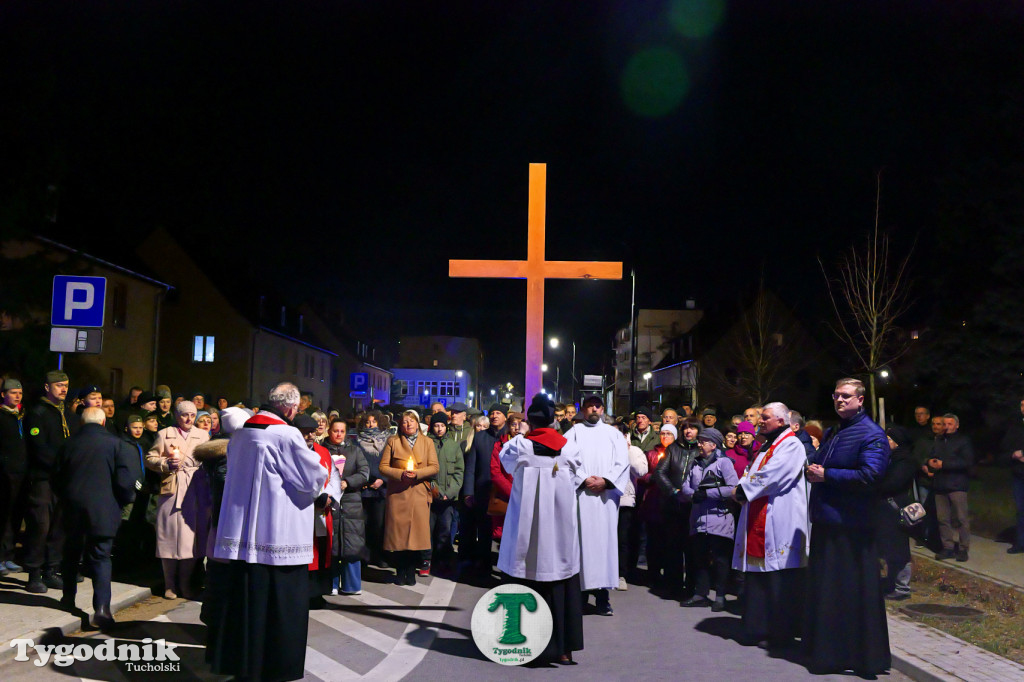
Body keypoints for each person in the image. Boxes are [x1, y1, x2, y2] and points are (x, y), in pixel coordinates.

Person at [205, 382, 326, 682]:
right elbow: (312, 478)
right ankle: (276, 665)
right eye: (297, 409)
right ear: (290, 408)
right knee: (278, 607)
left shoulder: (242, 433)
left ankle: (245, 663)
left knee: (247, 605)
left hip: (243, 535)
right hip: (277, 535)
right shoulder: (285, 434)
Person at [805, 380, 890, 675]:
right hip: (828, 520)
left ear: (861, 399)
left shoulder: (871, 434)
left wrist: (827, 475)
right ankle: (828, 653)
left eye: (845, 396)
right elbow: (817, 461)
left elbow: (870, 475)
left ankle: (860, 657)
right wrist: (813, 467)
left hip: (852, 525)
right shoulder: (834, 431)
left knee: (852, 592)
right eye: (836, 396)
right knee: (828, 591)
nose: (839, 400)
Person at [497, 393, 585, 665]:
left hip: (527, 530)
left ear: (530, 420)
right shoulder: (569, 447)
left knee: (525, 578)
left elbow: (505, 463)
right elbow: (578, 475)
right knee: (560, 581)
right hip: (559, 531)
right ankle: (562, 647)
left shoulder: (519, 446)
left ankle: (524, 644)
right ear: (553, 419)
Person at [731, 402, 809, 651]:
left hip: (778, 517)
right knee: (758, 577)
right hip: (759, 514)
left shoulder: (791, 445)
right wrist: (743, 484)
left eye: (765, 418)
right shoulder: (768, 445)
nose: (760, 422)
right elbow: (752, 473)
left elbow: (773, 475)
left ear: (781, 421)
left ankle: (780, 633)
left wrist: (743, 490)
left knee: (778, 579)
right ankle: (756, 627)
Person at [53, 407, 140, 628]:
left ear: (82, 424)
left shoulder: (68, 444)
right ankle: (101, 609)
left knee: (71, 553)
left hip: (71, 509)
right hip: (104, 510)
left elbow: (55, 478)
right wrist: (121, 502)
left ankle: (68, 598)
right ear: (103, 423)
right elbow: (126, 481)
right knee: (101, 557)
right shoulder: (118, 444)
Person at [565, 395, 629, 616]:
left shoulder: (614, 435)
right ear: (583, 409)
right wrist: (583, 479)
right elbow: (565, 461)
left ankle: (603, 598)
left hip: (605, 499)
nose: (593, 409)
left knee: (604, 546)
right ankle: (580, 597)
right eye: (589, 406)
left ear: (602, 409)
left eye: (597, 405)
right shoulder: (573, 433)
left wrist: (606, 481)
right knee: (580, 546)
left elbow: (622, 462)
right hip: (582, 497)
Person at [146, 400, 210, 599]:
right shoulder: (165, 434)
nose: (189, 419)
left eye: (192, 415)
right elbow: (150, 458)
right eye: (184, 414)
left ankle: (185, 584)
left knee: (190, 541)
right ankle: (169, 584)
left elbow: (209, 460)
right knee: (168, 539)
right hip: (172, 491)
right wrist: (165, 463)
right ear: (177, 415)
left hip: (195, 490)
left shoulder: (202, 435)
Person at [24, 370, 79, 593]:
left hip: (64, 479)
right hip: (43, 477)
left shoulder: (69, 414)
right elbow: (38, 448)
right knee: (40, 524)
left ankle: (51, 569)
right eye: (58, 385)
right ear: (47, 387)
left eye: (65, 385)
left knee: (59, 524)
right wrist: (59, 467)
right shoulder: (37, 413)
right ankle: (34, 573)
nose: (63, 389)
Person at [680, 427, 737, 611]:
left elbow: (733, 488)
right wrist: (693, 495)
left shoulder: (724, 463)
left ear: (713, 445)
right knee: (700, 558)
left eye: (703, 441)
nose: (699, 444)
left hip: (719, 518)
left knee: (720, 559)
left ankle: (720, 596)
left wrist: (708, 494)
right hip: (698, 519)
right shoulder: (695, 463)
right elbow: (685, 486)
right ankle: (701, 594)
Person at [379, 410, 439, 585]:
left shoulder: (427, 442)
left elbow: (434, 467)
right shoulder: (393, 441)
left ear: (417, 423)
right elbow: (383, 467)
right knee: (398, 536)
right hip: (398, 494)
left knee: (416, 536)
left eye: (411, 421)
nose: (408, 425)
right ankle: (400, 571)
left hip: (419, 493)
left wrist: (418, 473)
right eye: (404, 422)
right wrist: (400, 474)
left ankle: (411, 572)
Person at [653, 416, 701, 597]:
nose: (689, 431)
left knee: (692, 550)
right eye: (686, 428)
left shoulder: (701, 450)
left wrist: (693, 493)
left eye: (693, 428)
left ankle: (691, 587)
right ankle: (673, 585)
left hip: (694, 506)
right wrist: (673, 491)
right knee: (673, 548)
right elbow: (660, 472)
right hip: (673, 506)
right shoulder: (673, 449)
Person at [461, 404, 509, 574]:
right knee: (484, 532)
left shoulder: (511, 436)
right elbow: (471, 467)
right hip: (483, 490)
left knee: (505, 534)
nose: (495, 416)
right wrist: (468, 492)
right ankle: (483, 567)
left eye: (499, 413)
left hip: (505, 493)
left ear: (505, 416)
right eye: (492, 413)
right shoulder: (481, 437)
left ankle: (505, 569)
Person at [323, 417, 369, 594]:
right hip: (330, 502)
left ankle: (351, 585)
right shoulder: (323, 451)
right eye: (335, 431)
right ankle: (331, 583)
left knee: (352, 543)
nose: (339, 434)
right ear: (329, 431)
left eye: (342, 431)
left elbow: (364, 472)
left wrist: (348, 482)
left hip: (351, 503)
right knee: (331, 543)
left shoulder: (355, 451)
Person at [872, 426, 919, 600]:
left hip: (896, 509)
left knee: (898, 548)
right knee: (886, 547)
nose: (885, 442)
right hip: (884, 509)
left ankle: (902, 587)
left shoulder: (905, 461)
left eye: (889, 439)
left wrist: (875, 484)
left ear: (897, 442)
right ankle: (890, 582)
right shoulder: (889, 459)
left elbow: (893, 483)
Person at [294, 414, 337, 606]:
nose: (309, 436)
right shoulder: (293, 452)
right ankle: (304, 594)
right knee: (306, 553)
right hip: (302, 510)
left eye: (312, 432)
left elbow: (333, 476)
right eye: (305, 433)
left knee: (322, 551)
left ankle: (318, 593)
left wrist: (329, 496)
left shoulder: (323, 451)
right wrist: (315, 497)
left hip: (322, 510)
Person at [928, 413, 974, 561]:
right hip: (940, 484)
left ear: (956, 425)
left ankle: (963, 548)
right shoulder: (939, 440)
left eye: (950, 424)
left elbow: (967, 462)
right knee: (943, 519)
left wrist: (945, 465)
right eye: (944, 424)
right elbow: (932, 455)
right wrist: (930, 462)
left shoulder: (963, 441)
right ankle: (947, 547)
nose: (946, 427)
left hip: (957, 484)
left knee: (961, 518)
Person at [637, 423, 676, 586]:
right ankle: (652, 574)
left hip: (671, 501)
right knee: (653, 540)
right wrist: (650, 478)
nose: (665, 436)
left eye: (669, 434)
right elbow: (641, 474)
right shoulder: (651, 453)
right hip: (653, 500)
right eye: (662, 433)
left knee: (669, 541)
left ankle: (669, 575)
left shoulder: (677, 453)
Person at [427, 412, 463, 575]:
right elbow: (426, 472)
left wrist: (450, 492)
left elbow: (459, 472)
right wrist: (435, 489)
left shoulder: (453, 446)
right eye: (436, 425)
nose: (439, 429)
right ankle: (428, 560)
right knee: (428, 530)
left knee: (445, 531)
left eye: (442, 425)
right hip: (430, 495)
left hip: (448, 498)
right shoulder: (427, 444)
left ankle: (443, 562)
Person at [615, 422, 648, 589]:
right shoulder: (604, 450)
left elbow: (641, 472)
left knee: (623, 539)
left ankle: (621, 574)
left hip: (625, 500)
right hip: (605, 499)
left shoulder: (634, 451)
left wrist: (627, 451)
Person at [0, 378, 27, 575]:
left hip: (22, 473)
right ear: (3, 394)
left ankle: (9, 555)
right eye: (13, 392)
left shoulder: (22, 416)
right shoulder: (2, 416)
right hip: (4, 472)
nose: (17, 396)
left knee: (15, 514)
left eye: (19, 392)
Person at [356, 411, 389, 567]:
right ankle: (364, 557)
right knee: (362, 525)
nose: (370, 425)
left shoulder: (388, 440)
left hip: (381, 489)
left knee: (378, 525)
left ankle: (378, 555)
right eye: (368, 422)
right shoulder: (357, 442)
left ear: (380, 423)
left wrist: (383, 480)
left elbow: (392, 464)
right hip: (362, 488)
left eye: (374, 422)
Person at [1002, 398, 1024, 554]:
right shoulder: (1016, 427)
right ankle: (1020, 542)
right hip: (1019, 474)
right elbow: (1005, 447)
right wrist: (1014, 454)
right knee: (1021, 509)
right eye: (1022, 404)